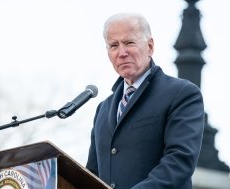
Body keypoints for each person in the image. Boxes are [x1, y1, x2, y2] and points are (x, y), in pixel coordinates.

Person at [86, 13, 204, 189]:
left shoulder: (182, 94)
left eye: (129, 43)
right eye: (114, 45)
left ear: (150, 46)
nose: (122, 53)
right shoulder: (103, 109)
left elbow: (179, 162)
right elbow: (92, 175)